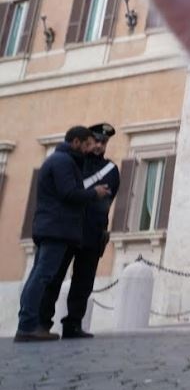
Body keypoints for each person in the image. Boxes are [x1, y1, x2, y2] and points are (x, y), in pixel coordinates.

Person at [14, 126, 110, 342]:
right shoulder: (63, 162)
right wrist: (94, 193)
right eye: (87, 144)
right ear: (76, 142)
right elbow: (69, 193)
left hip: (53, 227)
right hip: (56, 229)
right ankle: (28, 326)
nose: (90, 149)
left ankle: (28, 324)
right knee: (42, 276)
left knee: (40, 276)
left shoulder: (60, 160)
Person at [39, 123, 120, 339]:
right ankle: (42, 322)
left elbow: (107, 199)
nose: (99, 146)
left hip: (93, 231)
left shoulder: (110, 170)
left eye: (104, 143)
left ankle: (73, 324)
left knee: (83, 281)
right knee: (54, 278)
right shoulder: (73, 164)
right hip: (68, 228)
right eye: (96, 141)